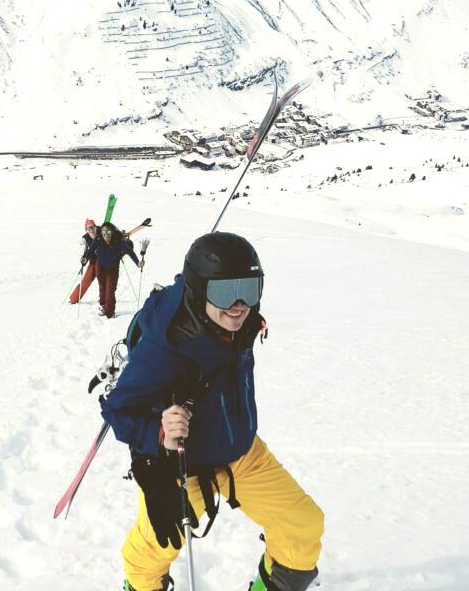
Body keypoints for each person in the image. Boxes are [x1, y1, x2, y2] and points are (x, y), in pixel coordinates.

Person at [101, 232, 323, 591]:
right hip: (180, 464)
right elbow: (117, 409)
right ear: (199, 289)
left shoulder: (237, 318)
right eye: (224, 292)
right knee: (155, 549)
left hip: (239, 448)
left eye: (249, 289)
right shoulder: (164, 347)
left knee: (303, 524)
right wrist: (159, 432)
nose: (238, 305)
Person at [92, 222, 141, 318]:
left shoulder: (118, 242)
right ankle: (103, 305)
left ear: (112, 232)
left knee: (110, 290)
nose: (106, 235)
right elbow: (90, 250)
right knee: (102, 288)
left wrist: (138, 263)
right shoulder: (98, 239)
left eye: (108, 232)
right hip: (100, 266)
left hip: (113, 268)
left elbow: (130, 252)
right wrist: (84, 259)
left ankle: (109, 313)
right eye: (104, 232)